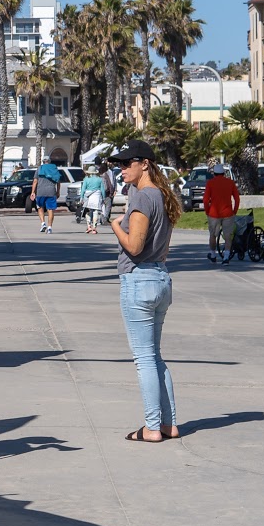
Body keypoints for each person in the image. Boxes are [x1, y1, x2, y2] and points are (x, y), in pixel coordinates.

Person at [106, 140, 182, 442]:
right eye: (120, 164)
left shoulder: (142, 200)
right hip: (160, 278)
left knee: (144, 359)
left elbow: (135, 247)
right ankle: (168, 423)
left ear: (145, 164)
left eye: (128, 163)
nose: (122, 169)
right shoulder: (163, 197)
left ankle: (152, 427)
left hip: (139, 281)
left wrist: (114, 225)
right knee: (156, 356)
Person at [204, 164, 241, 263]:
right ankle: (226, 257)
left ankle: (213, 254)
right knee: (228, 236)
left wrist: (207, 211)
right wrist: (234, 211)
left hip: (214, 214)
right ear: (224, 173)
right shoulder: (230, 183)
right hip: (228, 213)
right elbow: (237, 198)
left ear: (214, 173)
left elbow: (206, 200)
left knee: (213, 235)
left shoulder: (210, 183)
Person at [33, 162, 61, 233]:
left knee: (40, 207)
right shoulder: (54, 169)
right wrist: (58, 191)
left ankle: (43, 223)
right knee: (50, 209)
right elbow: (58, 181)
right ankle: (49, 227)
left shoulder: (39, 168)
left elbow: (35, 181)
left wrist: (33, 192)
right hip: (51, 191)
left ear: (43, 161)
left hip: (40, 191)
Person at [81, 167, 106, 234]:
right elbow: (102, 190)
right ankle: (94, 228)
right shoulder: (99, 179)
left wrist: (81, 197)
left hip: (88, 196)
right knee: (95, 211)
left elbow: (83, 189)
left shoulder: (86, 179)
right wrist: (104, 198)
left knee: (88, 211)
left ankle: (89, 226)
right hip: (96, 196)